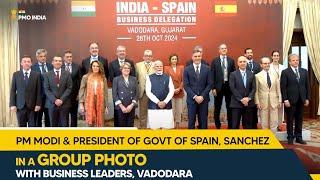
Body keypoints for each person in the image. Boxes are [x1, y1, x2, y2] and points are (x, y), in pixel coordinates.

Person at [280, 54, 310, 145]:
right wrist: (285, 99)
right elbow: (283, 87)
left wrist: (307, 98)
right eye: (293, 60)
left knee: (299, 119)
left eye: (297, 60)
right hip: (290, 100)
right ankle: (290, 137)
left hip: (301, 99)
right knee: (289, 119)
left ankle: (298, 137)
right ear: (289, 62)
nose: (296, 61)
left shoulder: (304, 71)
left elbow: (307, 86)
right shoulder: (285, 72)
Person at [184, 50, 213, 129]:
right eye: (195, 56)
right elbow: (186, 85)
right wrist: (195, 96)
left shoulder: (207, 68)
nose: (197, 58)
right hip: (191, 99)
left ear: (201, 57)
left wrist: (202, 96)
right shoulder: (187, 69)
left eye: (199, 56)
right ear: (192, 57)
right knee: (191, 121)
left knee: (203, 121)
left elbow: (210, 84)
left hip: (204, 99)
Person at [10, 55, 41, 127]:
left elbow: (38, 91)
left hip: (33, 106)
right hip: (20, 106)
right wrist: (12, 104)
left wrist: (38, 104)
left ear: (31, 63)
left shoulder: (36, 75)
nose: (26, 63)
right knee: (21, 127)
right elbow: (13, 90)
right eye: (24, 61)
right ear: (21, 63)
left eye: (28, 62)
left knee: (32, 126)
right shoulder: (16, 74)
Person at [109, 45, 135, 127]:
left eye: (123, 51)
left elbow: (133, 76)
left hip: (129, 94)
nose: (122, 52)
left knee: (130, 118)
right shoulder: (112, 64)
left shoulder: (130, 62)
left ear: (125, 52)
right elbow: (111, 78)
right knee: (118, 115)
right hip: (118, 94)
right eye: (120, 51)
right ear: (117, 53)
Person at [211, 43, 235, 129]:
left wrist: (234, 87)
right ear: (219, 50)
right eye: (222, 48)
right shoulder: (215, 61)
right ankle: (218, 126)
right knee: (217, 108)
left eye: (225, 48)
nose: (224, 49)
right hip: (218, 88)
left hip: (229, 87)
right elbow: (212, 75)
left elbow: (233, 75)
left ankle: (230, 126)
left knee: (230, 107)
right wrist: (213, 88)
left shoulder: (231, 60)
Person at [43, 55, 72, 127]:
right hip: (51, 104)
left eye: (59, 61)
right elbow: (46, 89)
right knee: (53, 125)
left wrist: (61, 100)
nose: (58, 62)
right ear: (52, 62)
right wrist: (55, 100)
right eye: (56, 61)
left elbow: (69, 88)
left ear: (62, 63)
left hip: (64, 104)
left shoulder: (67, 73)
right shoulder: (47, 74)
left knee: (65, 125)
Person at [255, 57, 282, 132]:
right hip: (263, 102)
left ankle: (273, 140)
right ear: (261, 65)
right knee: (264, 123)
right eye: (265, 63)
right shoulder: (257, 76)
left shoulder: (275, 75)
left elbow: (278, 89)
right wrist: (257, 102)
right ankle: (266, 139)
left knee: (274, 122)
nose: (267, 65)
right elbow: (256, 91)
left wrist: (280, 100)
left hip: (274, 102)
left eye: (268, 63)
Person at [79, 61, 109, 127]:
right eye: (94, 66)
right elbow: (81, 90)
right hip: (89, 101)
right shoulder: (85, 77)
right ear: (91, 67)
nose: (95, 68)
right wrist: (81, 103)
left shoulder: (103, 78)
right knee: (90, 121)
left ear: (100, 67)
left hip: (100, 102)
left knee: (100, 121)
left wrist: (106, 105)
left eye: (97, 66)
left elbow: (105, 92)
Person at [146, 60, 175, 129]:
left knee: (166, 126)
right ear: (154, 67)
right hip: (154, 105)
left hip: (166, 105)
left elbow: (171, 91)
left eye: (160, 66)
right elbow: (148, 92)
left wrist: (165, 102)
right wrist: (158, 102)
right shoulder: (149, 77)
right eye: (157, 66)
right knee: (155, 127)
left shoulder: (168, 77)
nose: (159, 68)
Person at [229, 56, 256, 129]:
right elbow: (232, 88)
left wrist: (248, 98)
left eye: (244, 61)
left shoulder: (251, 74)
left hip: (248, 103)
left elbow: (254, 88)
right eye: (240, 62)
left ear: (246, 63)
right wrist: (241, 99)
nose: (242, 63)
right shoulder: (233, 74)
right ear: (237, 63)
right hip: (236, 103)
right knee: (235, 125)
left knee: (248, 125)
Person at [31, 49, 53, 127]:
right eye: (41, 56)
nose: (43, 58)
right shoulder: (32, 68)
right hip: (38, 98)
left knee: (49, 118)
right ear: (37, 57)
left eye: (44, 56)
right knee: (38, 119)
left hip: (49, 98)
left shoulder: (51, 66)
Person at [112, 62, 138, 127]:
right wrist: (121, 106)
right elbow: (114, 94)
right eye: (125, 68)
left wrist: (132, 105)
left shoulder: (134, 79)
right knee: (121, 125)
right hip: (121, 107)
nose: (127, 69)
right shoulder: (116, 79)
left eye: (128, 68)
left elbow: (137, 93)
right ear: (121, 69)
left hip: (131, 106)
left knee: (130, 124)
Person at [135, 50, 155, 128]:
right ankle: (143, 127)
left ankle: (153, 127)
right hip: (142, 92)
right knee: (143, 112)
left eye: (150, 56)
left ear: (152, 57)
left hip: (153, 93)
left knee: (153, 111)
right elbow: (135, 79)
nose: (148, 57)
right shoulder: (138, 65)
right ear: (143, 57)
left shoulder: (156, 65)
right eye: (146, 55)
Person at [164, 54, 184, 128]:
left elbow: (183, 80)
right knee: (171, 110)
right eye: (173, 59)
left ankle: (177, 125)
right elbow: (166, 80)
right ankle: (171, 124)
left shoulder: (181, 67)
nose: (174, 60)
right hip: (170, 93)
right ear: (170, 60)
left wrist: (180, 88)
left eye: (175, 59)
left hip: (179, 92)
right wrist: (172, 89)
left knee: (179, 110)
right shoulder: (166, 68)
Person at [61, 50, 81, 127]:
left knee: (74, 116)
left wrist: (79, 94)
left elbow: (80, 81)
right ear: (64, 58)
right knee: (63, 117)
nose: (69, 58)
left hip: (74, 96)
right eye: (67, 57)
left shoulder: (77, 66)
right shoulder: (60, 66)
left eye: (70, 57)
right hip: (63, 96)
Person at [244, 48, 261, 129]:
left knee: (254, 110)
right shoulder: (242, 64)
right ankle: (247, 128)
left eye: (251, 52)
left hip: (256, 91)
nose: (250, 54)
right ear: (245, 55)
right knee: (247, 112)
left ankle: (255, 127)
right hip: (246, 92)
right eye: (248, 53)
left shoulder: (257, 65)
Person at [269, 50, 286, 128]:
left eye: (277, 55)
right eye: (274, 55)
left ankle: (279, 124)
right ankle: (272, 125)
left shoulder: (283, 67)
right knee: (273, 108)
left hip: (281, 89)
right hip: (272, 90)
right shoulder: (269, 66)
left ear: (279, 57)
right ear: (272, 57)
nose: (276, 57)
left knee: (280, 108)